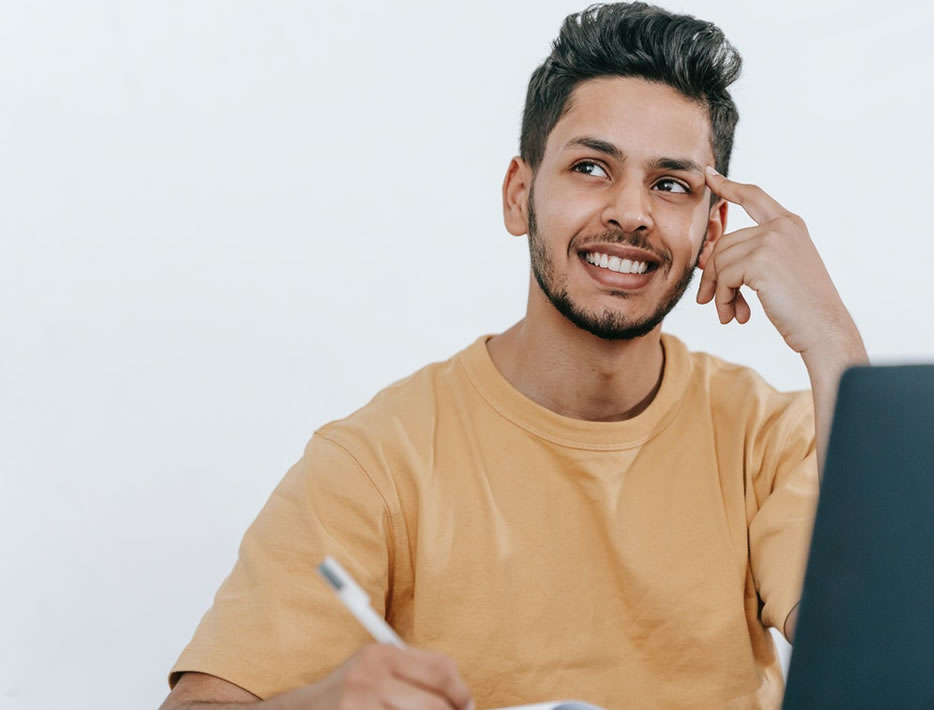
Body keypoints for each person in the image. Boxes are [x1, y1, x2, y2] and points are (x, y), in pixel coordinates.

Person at [159, 3, 868, 709]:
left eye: (671, 184)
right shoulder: (375, 461)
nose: (631, 212)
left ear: (712, 229)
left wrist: (834, 343)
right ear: (518, 195)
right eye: (592, 167)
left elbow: (891, 655)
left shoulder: (773, 440)